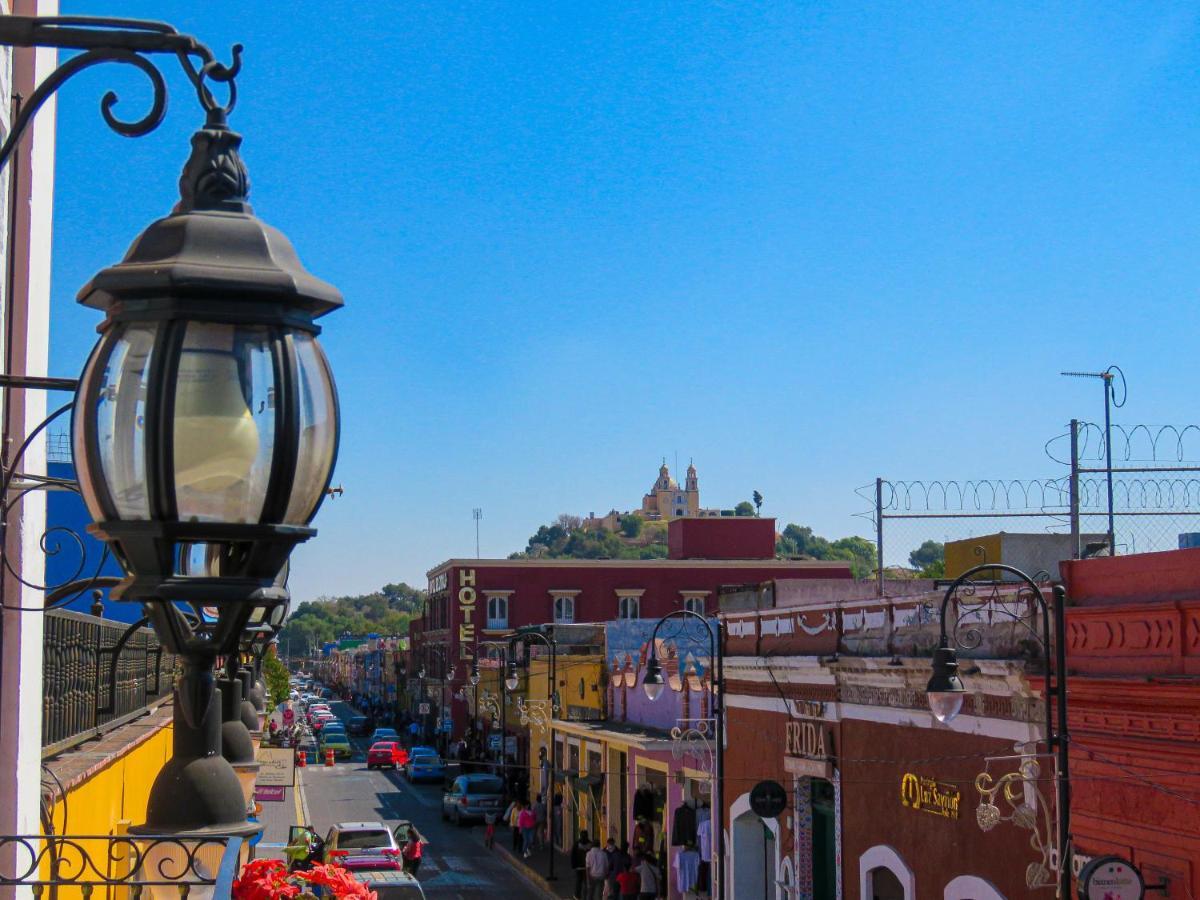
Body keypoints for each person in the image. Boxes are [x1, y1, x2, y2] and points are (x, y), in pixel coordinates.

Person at [570, 832, 591, 900]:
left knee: (578, 881)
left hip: (578, 866)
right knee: (586, 882)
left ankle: (577, 896)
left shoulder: (577, 844)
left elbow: (573, 855)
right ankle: (585, 896)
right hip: (587, 867)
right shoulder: (590, 844)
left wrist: (573, 865)